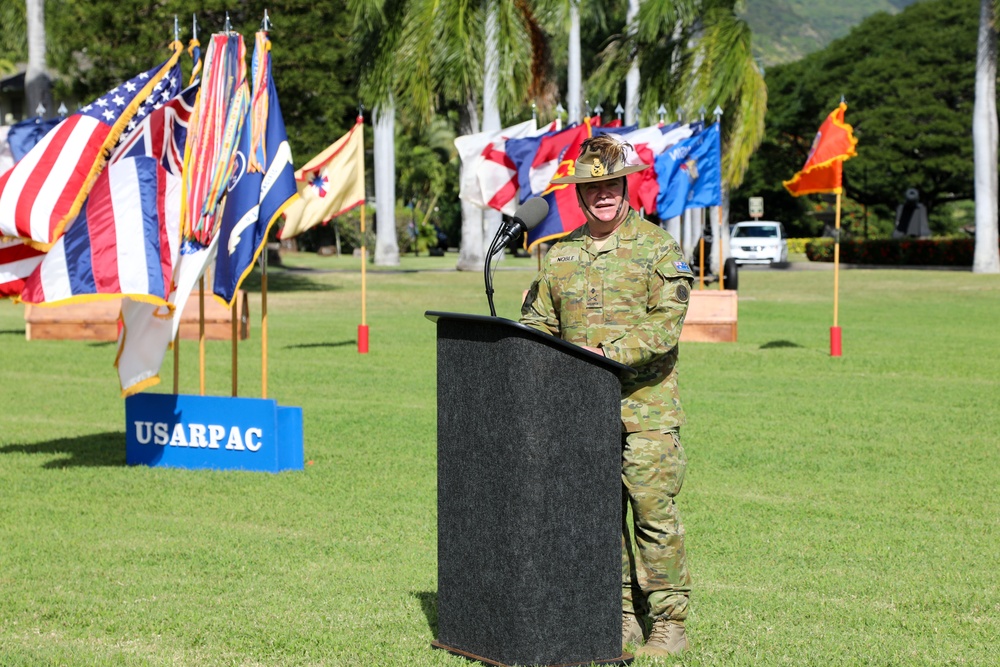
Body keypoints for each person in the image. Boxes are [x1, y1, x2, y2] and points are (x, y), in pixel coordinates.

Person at [519, 134, 695, 658]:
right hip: (581, 412)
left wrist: (603, 354)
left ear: (626, 186)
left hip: (646, 410)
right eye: (593, 187)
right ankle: (618, 616)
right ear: (579, 194)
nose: (604, 195)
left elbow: (667, 325)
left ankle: (667, 621)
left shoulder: (658, 247)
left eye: (612, 185)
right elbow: (538, 323)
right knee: (597, 517)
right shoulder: (558, 255)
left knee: (651, 510)